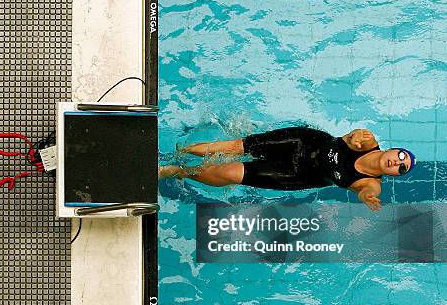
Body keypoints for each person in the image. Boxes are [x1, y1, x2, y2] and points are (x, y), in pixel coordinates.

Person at [159, 127, 416, 211]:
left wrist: (366, 197)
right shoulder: (368, 141)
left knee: (228, 174)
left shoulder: (372, 183)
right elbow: (357, 137)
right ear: (393, 149)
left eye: (401, 169)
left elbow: (365, 191)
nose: (397, 162)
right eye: (400, 156)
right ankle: (180, 150)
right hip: (302, 142)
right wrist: (352, 138)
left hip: (296, 175)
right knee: (235, 146)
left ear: (394, 175)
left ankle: (177, 170)